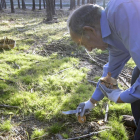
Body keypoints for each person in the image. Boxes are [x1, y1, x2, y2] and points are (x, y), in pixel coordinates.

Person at [67, 0, 140, 139]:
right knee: (137, 73)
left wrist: (121, 97)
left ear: (89, 30)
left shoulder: (122, 13)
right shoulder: (112, 32)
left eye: (82, 43)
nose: (88, 49)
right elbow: (110, 71)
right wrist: (92, 102)